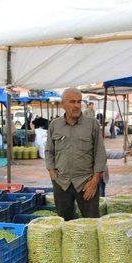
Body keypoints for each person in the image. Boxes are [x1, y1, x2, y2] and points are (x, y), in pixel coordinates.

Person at [45, 87, 107, 220]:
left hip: (86, 183)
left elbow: (100, 154)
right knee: (64, 222)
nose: (77, 106)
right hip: (62, 182)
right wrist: (52, 175)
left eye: (79, 102)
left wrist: (95, 181)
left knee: (91, 222)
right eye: (72, 102)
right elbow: (49, 151)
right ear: (63, 104)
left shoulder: (92, 125)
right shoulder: (55, 125)